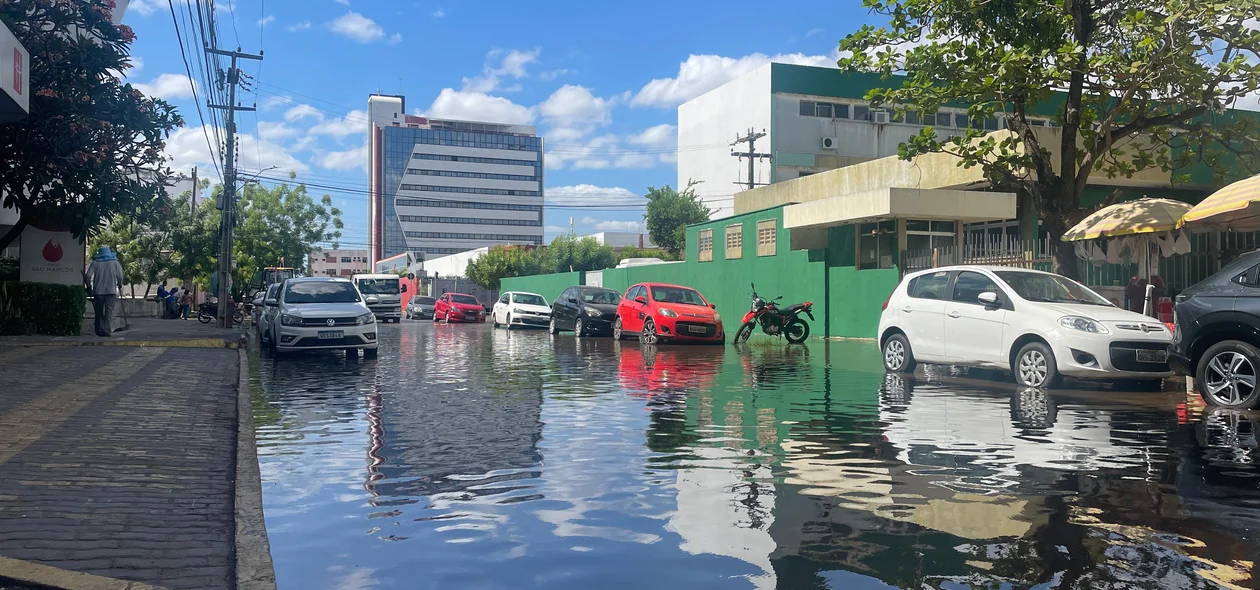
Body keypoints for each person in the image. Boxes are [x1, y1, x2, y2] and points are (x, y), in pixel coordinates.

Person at [85, 246, 125, 337]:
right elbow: (120, 276)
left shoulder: (95, 263)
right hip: (111, 291)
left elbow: (88, 276)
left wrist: (88, 285)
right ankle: (106, 330)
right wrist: (120, 284)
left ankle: (99, 329)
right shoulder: (115, 263)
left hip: (98, 291)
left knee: (98, 312)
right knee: (108, 312)